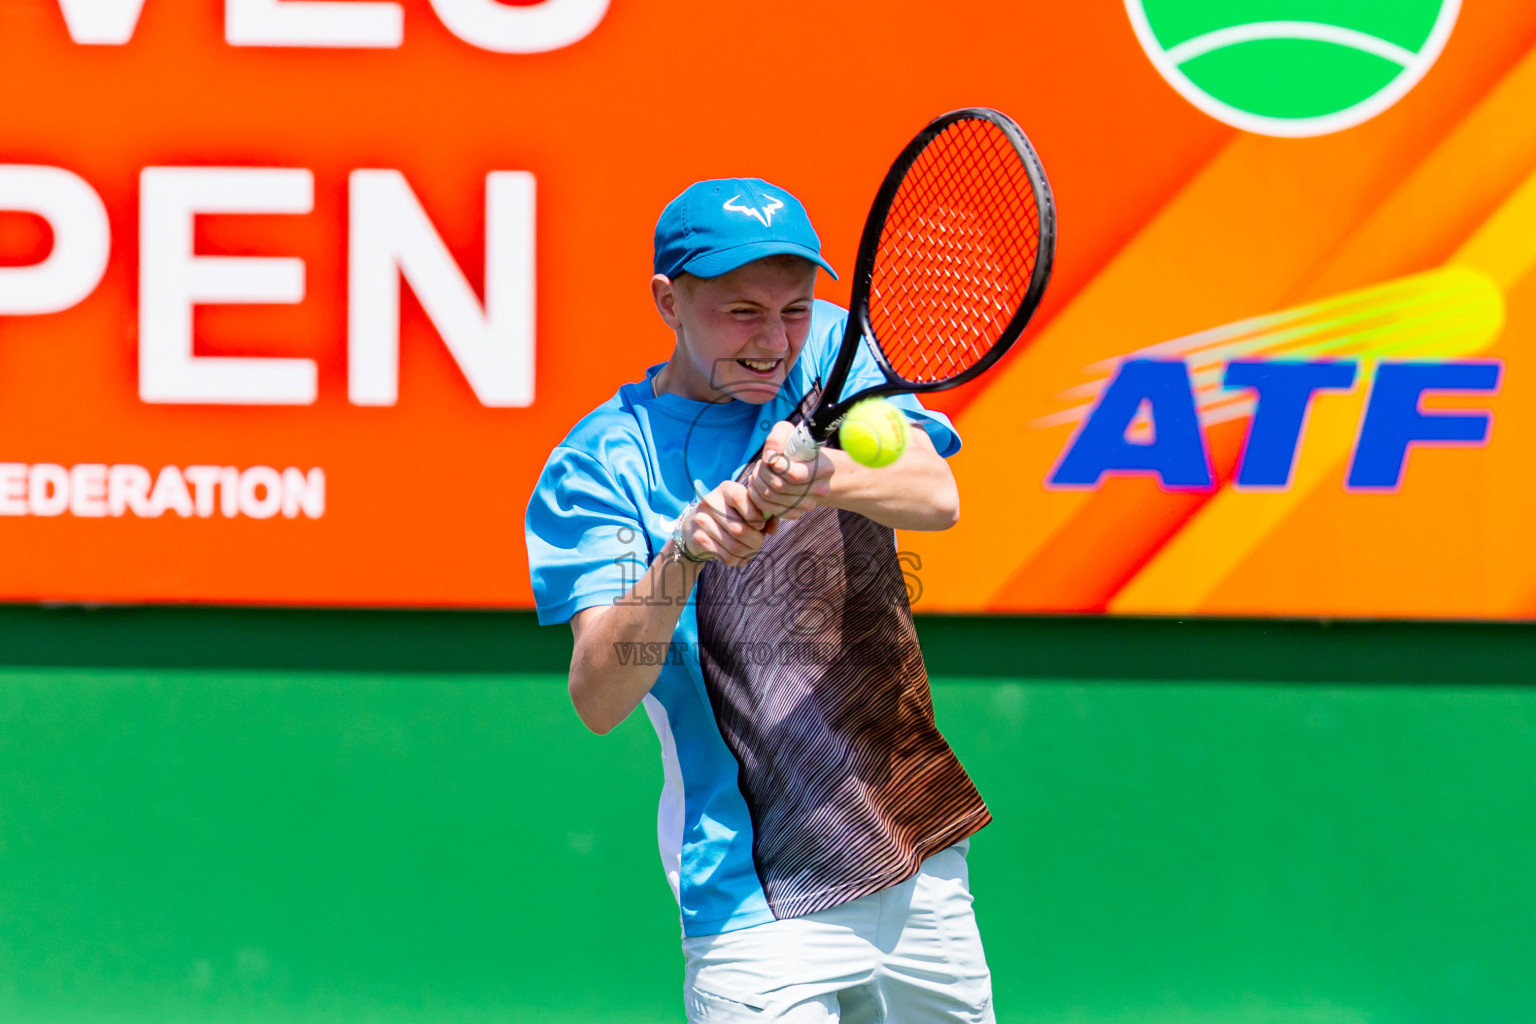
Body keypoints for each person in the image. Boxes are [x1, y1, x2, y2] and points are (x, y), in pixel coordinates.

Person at [525, 177, 994, 1022]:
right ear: (669, 302)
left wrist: (824, 475)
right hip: (755, 897)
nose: (774, 341)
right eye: (741, 312)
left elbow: (937, 495)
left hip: (916, 850)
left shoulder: (829, 363)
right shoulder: (600, 462)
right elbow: (598, 694)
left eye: (794, 308)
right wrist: (685, 552)